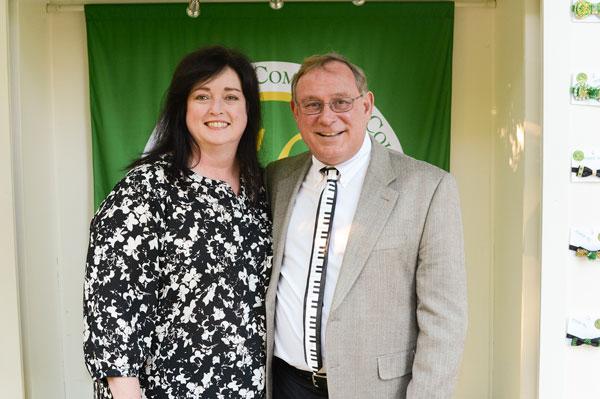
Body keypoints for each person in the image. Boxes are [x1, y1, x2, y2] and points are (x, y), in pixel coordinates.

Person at [264, 53, 467, 399]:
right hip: (285, 385)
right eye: (312, 105)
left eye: (341, 102)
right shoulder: (275, 178)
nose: (327, 117)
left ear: (366, 105)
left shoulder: (429, 188)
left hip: (376, 390)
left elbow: (444, 321)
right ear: (296, 113)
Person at [83, 46, 272, 399]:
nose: (217, 108)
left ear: (248, 110)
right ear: (182, 107)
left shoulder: (261, 191)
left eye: (231, 96)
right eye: (202, 95)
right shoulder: (145, 190)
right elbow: (111, 312)